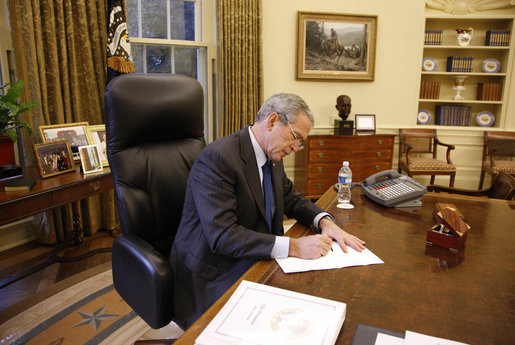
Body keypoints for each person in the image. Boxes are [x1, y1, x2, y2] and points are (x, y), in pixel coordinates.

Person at [169, 93, 366, 329]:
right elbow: (223, 236)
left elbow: (290, 198)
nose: (296, 148)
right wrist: (294, 246)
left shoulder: (271, 152)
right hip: (213, 270)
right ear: (273, 121)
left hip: (251, 257)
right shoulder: (218, 158)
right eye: (295, 137)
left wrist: (325, 222)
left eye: (301, 142)